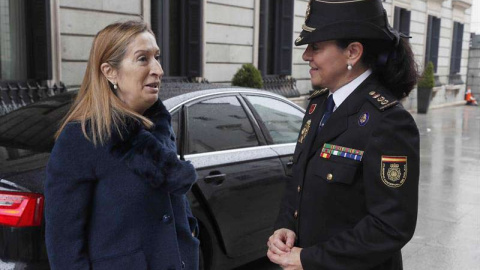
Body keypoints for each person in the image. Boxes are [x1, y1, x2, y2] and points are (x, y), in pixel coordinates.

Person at [267, 0, 420, 269]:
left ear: (352, 52)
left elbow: (390, 226)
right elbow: (298, 178)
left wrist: (309, 259)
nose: (306, 56)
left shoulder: (389, 121)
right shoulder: (318, 105)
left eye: (315, 46)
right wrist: (286, 225)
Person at [45, 20, 199, 270]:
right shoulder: (81, 137)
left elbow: (171, 208)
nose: (158, 69)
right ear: (110, 72)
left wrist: (189, 238)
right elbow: (64, 247)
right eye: (142, 59)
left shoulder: (158, 125)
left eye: (157, 57)